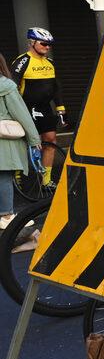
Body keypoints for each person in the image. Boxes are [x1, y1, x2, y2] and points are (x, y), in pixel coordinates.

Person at [10, 27, 64, 189]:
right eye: (44, 43)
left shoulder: (50, 63)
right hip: (26, 108)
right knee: (27, 143)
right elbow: (11, 87)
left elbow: (56, 88)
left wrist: (61, 108)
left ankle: (46, 180)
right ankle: (17, 176)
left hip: (45, 108)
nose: (47, 47)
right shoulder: (22, 62)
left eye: (49, 45)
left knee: (50, 141)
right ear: (32, 42)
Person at [0, 54, 42, 229]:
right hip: (4, 139)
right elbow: (21, 114)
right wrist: (34, 138)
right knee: (4, 175)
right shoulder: (6, 86)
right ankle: (7, 215)